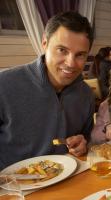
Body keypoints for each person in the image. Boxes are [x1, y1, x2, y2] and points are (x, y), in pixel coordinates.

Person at [0, 11, 95, 170]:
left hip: (70, 180)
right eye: (62, 50)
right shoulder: (4, 85)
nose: (71, 63)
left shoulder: (86, 94)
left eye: (80, 55)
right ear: (44, 43)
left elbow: (86, 137)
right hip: (13, 189)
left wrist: (82, 143)